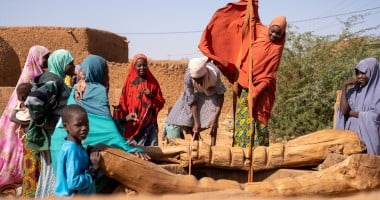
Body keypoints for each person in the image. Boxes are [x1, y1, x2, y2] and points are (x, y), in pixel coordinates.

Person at [50, 55, 150, 193]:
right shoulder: (98, 90)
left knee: (67, 187)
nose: (106, 76)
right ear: (98, 72)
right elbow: (107, 129)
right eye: (105, 72)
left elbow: (97, 121)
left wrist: (123, 120)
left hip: (60, 142)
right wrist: (129, 149)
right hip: (77, 148)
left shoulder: (76, 88)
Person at [24, 49, 76, 198]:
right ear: (61, 63)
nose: (73, 66)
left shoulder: (56, 79)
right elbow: (32, 101)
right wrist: (47, 122)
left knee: (51, 171)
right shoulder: (53, 81)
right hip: (53, 135)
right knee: (56, 170)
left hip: (55, 134)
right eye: (70, 63)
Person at [0, 45, 49, 196]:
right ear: (37, 57)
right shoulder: (31, 76)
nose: (47, 60)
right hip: (26, 125)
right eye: (45, 57)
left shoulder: (38, 73)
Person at [232, 16, 287, 148]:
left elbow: (269, 76)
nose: (273, 35)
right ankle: (240, 152)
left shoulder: (276, 48)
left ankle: (257, 154)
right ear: (268, 28)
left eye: (278, 33)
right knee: (243, 118)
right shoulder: (260, 32)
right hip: (247, 86)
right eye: (272, 31)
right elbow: (253, 19)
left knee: (258, 120)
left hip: (263, 92)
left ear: (283, 33)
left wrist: (256, 92)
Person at [166, 57, 226, 146]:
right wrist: (196, 122)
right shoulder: (188, 77)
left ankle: (213, 146)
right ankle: (196, 143)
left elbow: (220, 95)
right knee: (187, 118)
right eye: (195, 79)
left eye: (200, 79)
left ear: (205, 74)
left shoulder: (214, 72)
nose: (198, 81)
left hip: (211, 93)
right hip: (196, 94)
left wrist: (215, 117)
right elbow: (191, 99)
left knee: (213, 119)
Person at [117, 54, 165, 146]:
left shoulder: (153, 82)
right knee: (132, 152)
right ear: (134, 66)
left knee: (151, 153)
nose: (142, 68)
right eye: (139, 66)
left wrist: (151, 96)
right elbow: (123, 100)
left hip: (149, 125)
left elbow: (160, 102)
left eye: (144, 65)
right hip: (132, 124)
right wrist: (124, 118)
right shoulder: (129, 82)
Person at [335, 58, 380, 155]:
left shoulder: (378, 92)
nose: (359, 76)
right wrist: (344, 86)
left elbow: (375, 115)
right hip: (350, 137)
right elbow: (343, 110)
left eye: (363, 73)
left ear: (373, 73)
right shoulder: (353, 92)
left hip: (369, 137)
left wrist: (351, 113)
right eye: (357, 73)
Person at [54, 104, 100, 197]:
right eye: (78, 125)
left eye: (86, 123)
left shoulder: (68, 146)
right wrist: (93, 170)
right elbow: (74, 183)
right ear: (66, 126)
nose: (84, 128)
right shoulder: (73, 150)